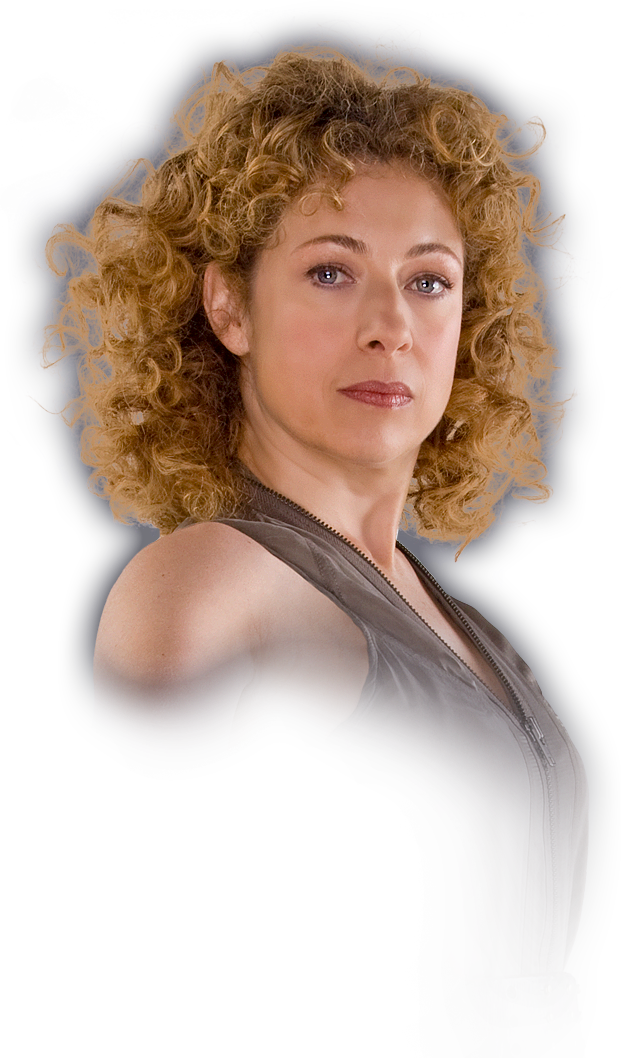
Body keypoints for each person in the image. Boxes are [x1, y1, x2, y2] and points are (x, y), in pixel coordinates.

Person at [37, 39, 589, 1056]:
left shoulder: (449, 611)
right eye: (331, 271)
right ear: (228, 306)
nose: (390, 325)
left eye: (429, 281)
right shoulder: (214, 580)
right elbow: (85, 986)